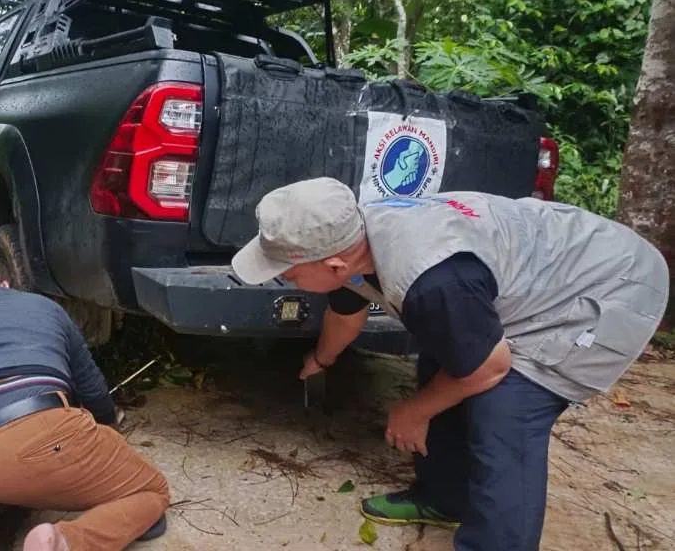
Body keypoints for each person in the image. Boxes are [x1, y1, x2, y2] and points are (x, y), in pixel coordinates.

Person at [231, 177, 669, 551]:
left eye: (287, 273)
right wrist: (320, 360)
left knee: (504, 412)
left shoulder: (431, 279)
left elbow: (488, 368)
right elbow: (347, 313)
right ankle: (444, 497)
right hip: (536, 268)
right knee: (444, 359)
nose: (281, 278)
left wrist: (414, 411)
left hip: (607, 285)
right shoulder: (356, 242)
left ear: (334, 263)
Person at [0, 255, 169, 551]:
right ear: (5, 285)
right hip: (37, 436)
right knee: (150, 490)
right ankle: (61, 543)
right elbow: (92, 389)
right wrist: (108, 440)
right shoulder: (42, 306)